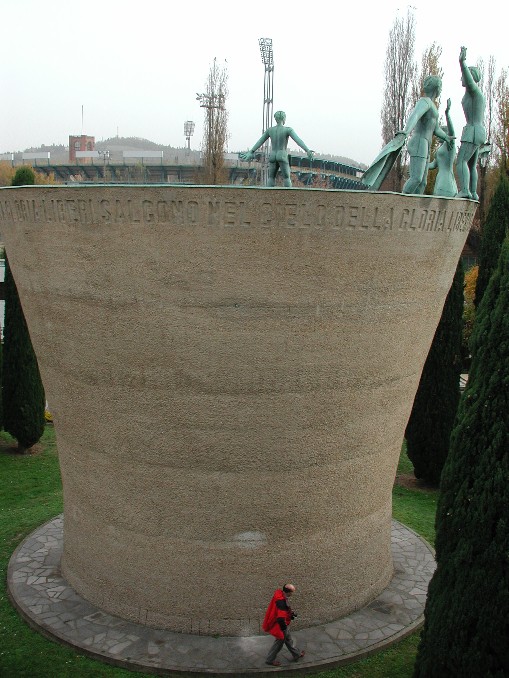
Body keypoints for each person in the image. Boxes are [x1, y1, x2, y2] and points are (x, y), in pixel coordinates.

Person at [400, 75, 455, 194]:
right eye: (441, 87)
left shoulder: (432, 106)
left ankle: (414, 209)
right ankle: (401, 203)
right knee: (416, 178)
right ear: (437, 88)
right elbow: (415, 115)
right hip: (419, 141)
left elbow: (435, 129)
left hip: (425, 144)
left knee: (423, 182)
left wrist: (446, 137)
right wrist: (405, 132)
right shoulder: (424, 101)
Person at [239, 111, 314, 187]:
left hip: (273, 155)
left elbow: (260, 141)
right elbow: (298, 140)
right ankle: (289, 197)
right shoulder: (288, 130)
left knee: (271, 177)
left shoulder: (270, 130)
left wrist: (251, 152)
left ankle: (268, 196)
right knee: (286, 178)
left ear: (276, 119)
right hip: (282, 155)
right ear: (284, 118)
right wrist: (307, 150)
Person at [456, 46, 486, 199]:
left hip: (473, 130)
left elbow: (469, 81)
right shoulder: (475, 94)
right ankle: (473, 192)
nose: (461, 78)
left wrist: (462, 62)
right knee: (471, 164)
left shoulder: (473, 91)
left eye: (463, 76)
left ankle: (465, 191)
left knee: (461, 161)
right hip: (478, 130)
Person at [263, 583, 305, 666]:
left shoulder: (280, 595)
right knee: (278, 644)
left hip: (283, 625)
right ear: (288, 592)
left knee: (289, 640)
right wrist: (284, 629)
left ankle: (296, 654)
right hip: (281, 627)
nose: (292, 594)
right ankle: (270, 660)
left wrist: (289, 614)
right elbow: (280, 618)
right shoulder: (281, 602)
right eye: (292, 592)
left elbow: (282, 612)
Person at [428, 98, 458, 198]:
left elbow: (452, 131)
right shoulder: (440, 149)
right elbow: (433, 165)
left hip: (446, 180)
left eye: (442, 131)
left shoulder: (449, 145)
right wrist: (419, 167)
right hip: (440, 179)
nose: (438, 135)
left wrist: (447, 114)